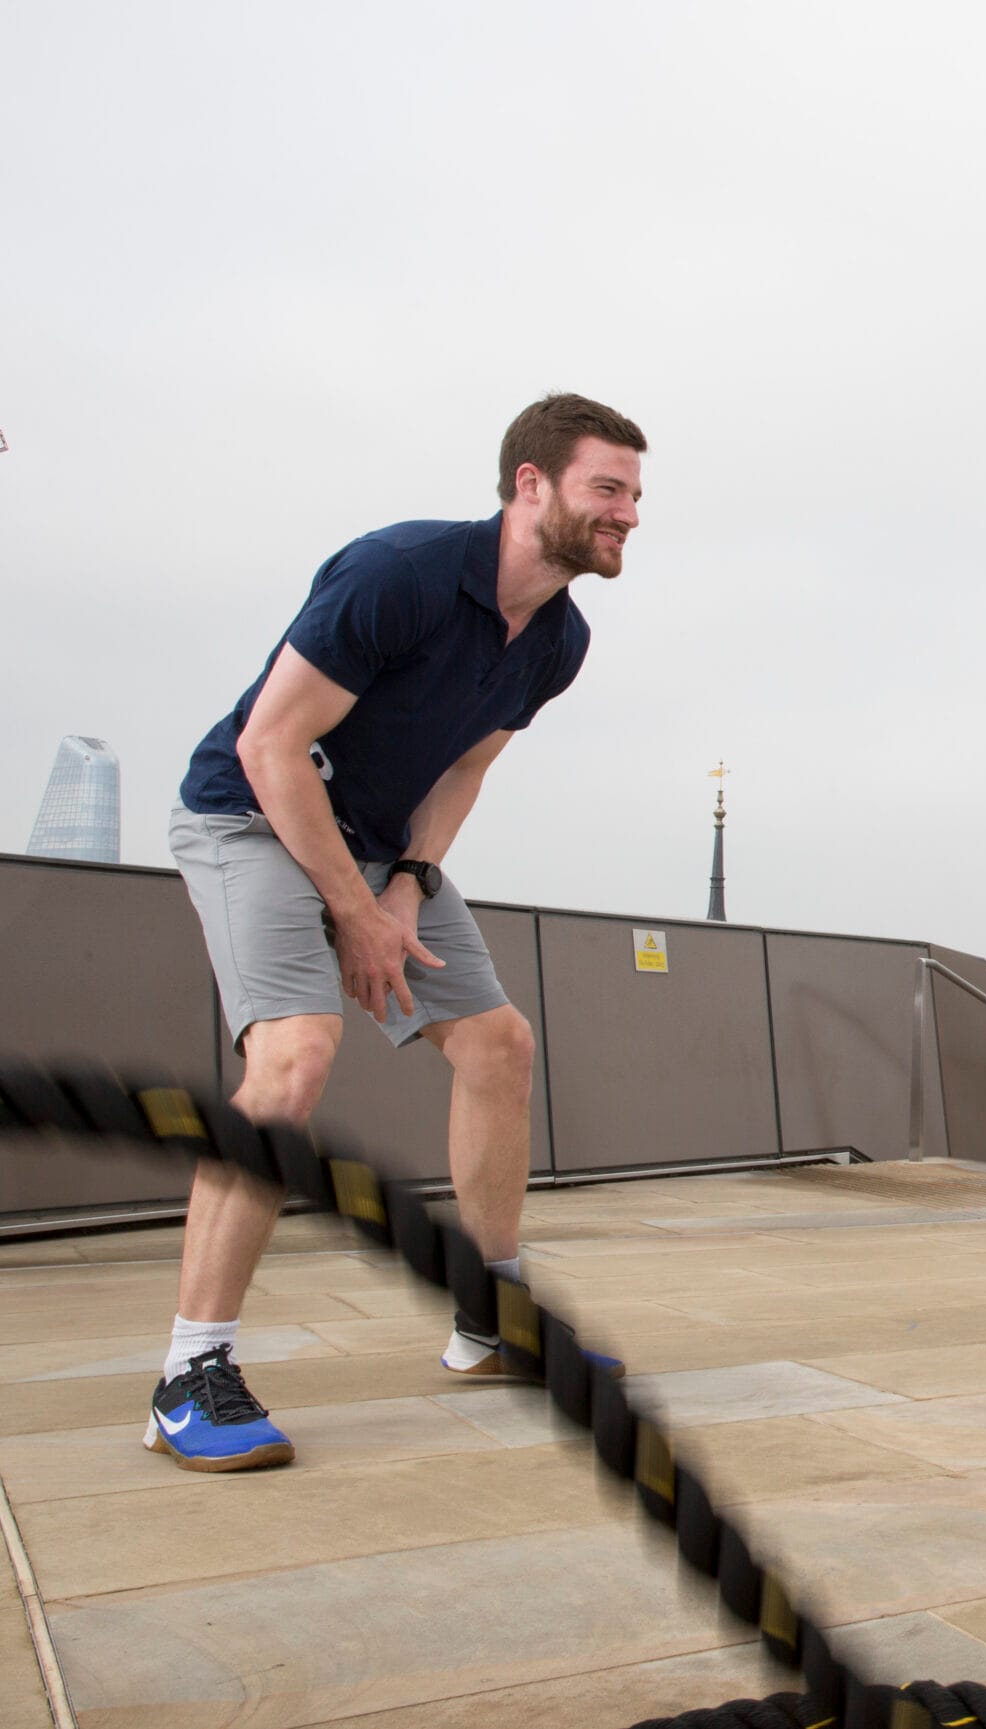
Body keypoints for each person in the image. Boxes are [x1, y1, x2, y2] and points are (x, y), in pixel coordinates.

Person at [151, 394, 644, 1472]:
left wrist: (408, 886)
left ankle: (491, 1321)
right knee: (293, 1059)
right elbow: (270, 745)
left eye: (635, 495)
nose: (629, 514)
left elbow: (463, 768)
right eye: (607, 488)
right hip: (249, 815)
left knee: (498, 1043)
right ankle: (190, 1370)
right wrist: (353, 910)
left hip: (380, 844)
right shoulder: (399, 574)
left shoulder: (558, 638)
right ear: (530, 485)